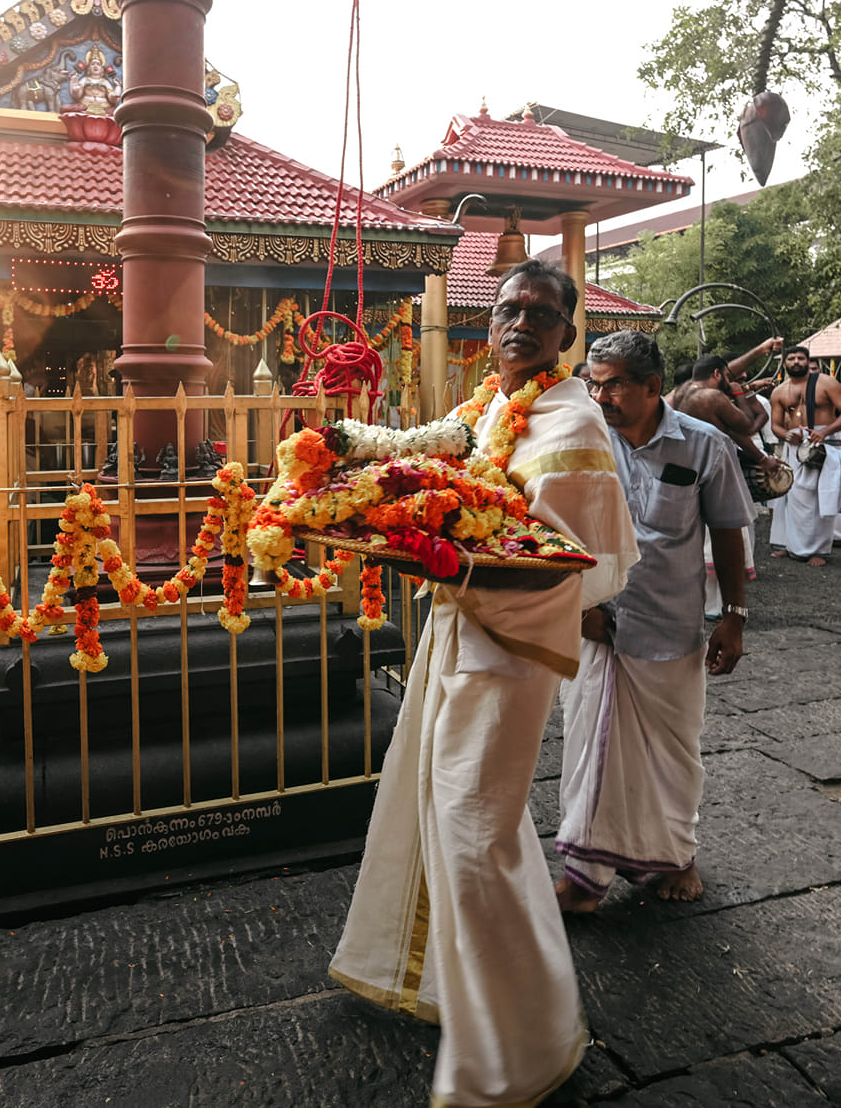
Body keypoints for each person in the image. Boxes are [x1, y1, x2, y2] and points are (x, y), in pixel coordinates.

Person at [331, 260, 639, 1108]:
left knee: (476, 836)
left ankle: (519, 1049)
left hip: (510, 649)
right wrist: (362, 476)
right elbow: (445, 471)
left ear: (567, 335)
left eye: (542, 313)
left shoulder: (570, 420)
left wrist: (430, 545)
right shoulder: (499, 404)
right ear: (489, 321)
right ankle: (458, 994)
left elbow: (561, 564)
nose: (521, 322)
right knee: (441, 810)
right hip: (459, 626)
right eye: (508, 308)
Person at [559, 332, 752, 912]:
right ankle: (584, 877)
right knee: (587, 747)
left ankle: (675, 857)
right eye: (595, 383)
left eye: (615, 383)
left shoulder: (705, 446)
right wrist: (578, 605)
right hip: (595, 625)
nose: (602, 396)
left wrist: (734, 618)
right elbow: (557, 524)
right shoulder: (584, 441)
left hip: (669, 626)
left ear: (652, 386)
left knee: (673, 753)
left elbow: (728, 531)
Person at [668, 354, 772, 614]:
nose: (731, 380)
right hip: (713, 470)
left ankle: (697, 602)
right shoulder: (712, 397)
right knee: (725, 533)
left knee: (695, 535)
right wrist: (741, 394)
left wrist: (763, 348)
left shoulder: (678, 394)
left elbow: (733, 434)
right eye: (727, 377)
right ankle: (717, 607)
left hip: (685, 469)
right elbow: (746, 427)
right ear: (716, 375)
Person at [767, 346, 841, 565]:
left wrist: (824, 431)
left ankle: (818, 551)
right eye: (791, 358)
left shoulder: (825, 383)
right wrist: (787, 436)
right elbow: (775, 426)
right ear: (784, 364)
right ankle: (788, 544)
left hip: (824, 443)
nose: (796, 361)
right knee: (789, 495)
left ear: (808, 361)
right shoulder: (779, 391)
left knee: (818, 497)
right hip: (795, 445)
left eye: (801, 358)